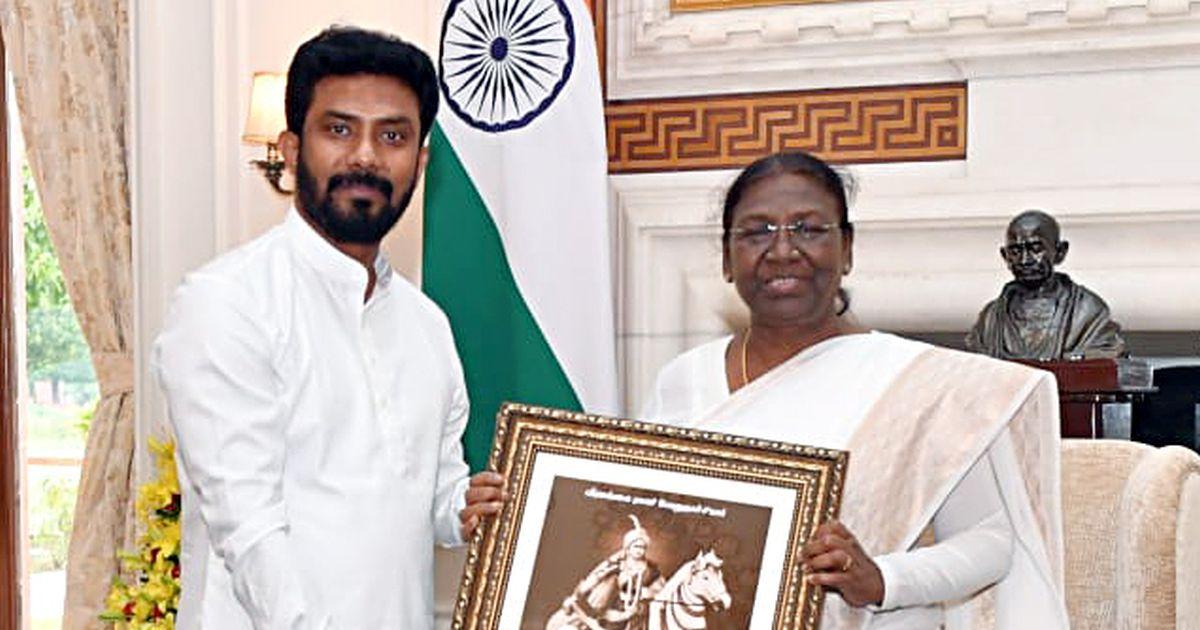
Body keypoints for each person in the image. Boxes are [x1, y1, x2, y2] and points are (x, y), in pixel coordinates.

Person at [153, 26, 504, 629]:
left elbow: (435, 497)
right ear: (291, 150)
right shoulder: (225, 304)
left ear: (420, 161)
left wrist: (468, 508)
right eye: (339, 130)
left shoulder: (427, 325)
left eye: (392, 136)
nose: (366, 156)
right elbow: (251, 534)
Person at [641, 152, 1069, 627]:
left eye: (808, 229)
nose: (782, 250)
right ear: (726, 258)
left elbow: (989, 540)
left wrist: (881, 579)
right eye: (757, 232)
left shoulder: (916, 382)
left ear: (846, 250)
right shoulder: (683, 380)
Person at [966, 209, 1125, 360]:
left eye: (1036, 249)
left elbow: (1102, 361)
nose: (1024, 260)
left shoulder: (1087, 310)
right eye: (1015, 251)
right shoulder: (990, 318)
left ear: (1060, 251)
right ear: (1005, 256)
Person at [547, 515, 666, 630]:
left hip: (637, 613)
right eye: (636, 546)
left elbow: (661, 591)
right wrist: (577, 595)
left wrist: (647, 594)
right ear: (628, 547)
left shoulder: (651, 570)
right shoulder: (616, 564)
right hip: (609, 609)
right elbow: (595, 578)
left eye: (642, 547)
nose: (639, 550)